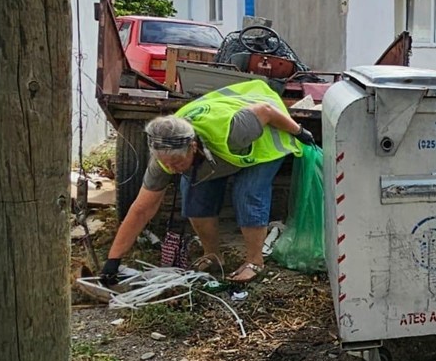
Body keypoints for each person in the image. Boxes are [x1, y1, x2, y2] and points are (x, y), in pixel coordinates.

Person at [100, 79, 315, 285]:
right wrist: (113, 260)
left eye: (177, 161)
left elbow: (266, 111)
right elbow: (141, 209)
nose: (172, 168)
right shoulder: (165, 155)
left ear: (193, 146)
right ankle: (213, 255)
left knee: (248, 192)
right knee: (193, 195)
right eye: (167, 163)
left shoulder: (232, 130)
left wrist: (299, 131)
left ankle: (254, 261)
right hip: (221, 151)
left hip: (263, 145)